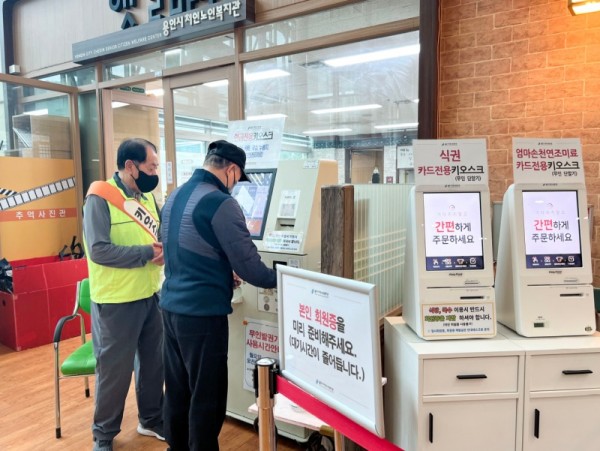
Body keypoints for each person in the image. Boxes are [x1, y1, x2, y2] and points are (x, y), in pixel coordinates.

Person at [159, 140, 277, 451]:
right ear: (232, 170)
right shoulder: (220, 203)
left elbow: (182, 249)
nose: (236, 186)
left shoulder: (175, 195)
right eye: (237, 179)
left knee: (178, 389)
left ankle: (177, 447)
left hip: (170, 309)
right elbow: (250, 265)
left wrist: (222, 272)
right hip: (201, 316)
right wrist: (283, 278)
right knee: (207, 394)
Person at [83, 138, 165, 451]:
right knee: (114, 374)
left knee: (153, 364)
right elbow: (99, 250)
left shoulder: (147, 199)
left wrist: (162, 251)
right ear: (130, 166)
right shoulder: (100, 196)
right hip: (115, 302)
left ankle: (151, 419)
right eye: (151, 166)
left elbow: (158, 236)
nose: (154, 172)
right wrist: (146, 252)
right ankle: (103, 436)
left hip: (150, 295)